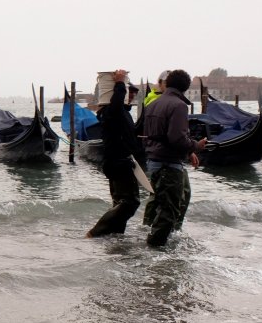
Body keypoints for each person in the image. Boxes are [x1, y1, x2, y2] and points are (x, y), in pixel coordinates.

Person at [141, 69, 207, 247]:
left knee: (160, 205)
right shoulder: (179, 106)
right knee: (170, 210)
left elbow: (150, 134)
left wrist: (188, 150)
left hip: (153, 161)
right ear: (186, 87)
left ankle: (153, 241)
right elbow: (176, 138)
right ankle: (155, 249)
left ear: (167, 83)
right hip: (169, 163)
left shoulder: (153, 104)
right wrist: (196, 146)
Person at [87, 69, 146, 238]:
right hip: (118, 163)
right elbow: (116, 104)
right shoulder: (111, 112)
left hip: (120, 162)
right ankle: (95, 233)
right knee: (130, 202)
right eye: (130, 92)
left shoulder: (122, 113)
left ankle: (114, 237)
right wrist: (120, 83)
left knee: (120, 203)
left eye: (134, 92)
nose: (132, 95)